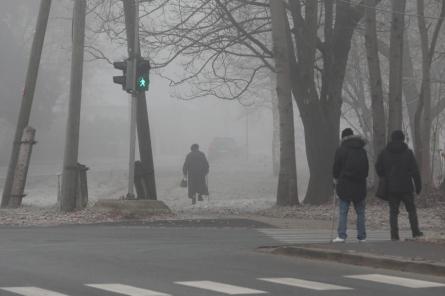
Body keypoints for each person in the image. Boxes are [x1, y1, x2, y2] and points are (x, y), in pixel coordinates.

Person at [375, 130, 423, 240]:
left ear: (391, 138)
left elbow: (378, 167)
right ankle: (415, 232)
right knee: (411, 210)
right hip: (406, 186)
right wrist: (418, 187)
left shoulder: (384, 152)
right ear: (402, 139)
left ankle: (394, 235)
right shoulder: (408, 153)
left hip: (392, 187)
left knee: (393, 212)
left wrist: (384, 176)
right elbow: (415, 171)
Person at [332, 128, 369, 243]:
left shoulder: (341, 150)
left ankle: (341, 236)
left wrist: (335, 178)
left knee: (343, 211)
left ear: (343, 138)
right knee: (360, 212)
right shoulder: (362, 151)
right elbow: (366, 170)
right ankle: (362, 237)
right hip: (360, 186)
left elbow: (336, 168)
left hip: (345, 185)